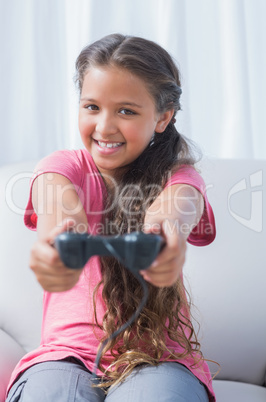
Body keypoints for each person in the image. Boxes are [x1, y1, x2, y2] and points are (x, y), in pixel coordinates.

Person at [6, 33, 216, 402]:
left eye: (126, 111)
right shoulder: (62, 166)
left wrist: (167, 235)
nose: (104, 127)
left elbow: (179, 205)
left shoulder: (178, 177)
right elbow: (56, 205)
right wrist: (54, 243)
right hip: (64, 357)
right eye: (91, 107)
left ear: (163, 116)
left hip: (157, 359)